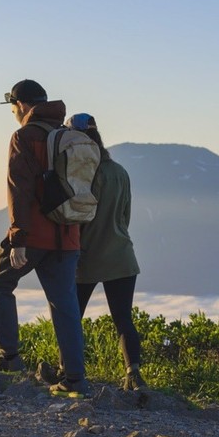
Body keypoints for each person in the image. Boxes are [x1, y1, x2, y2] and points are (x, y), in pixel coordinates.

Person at [0, 79, 91, 397]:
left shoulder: (24, 137)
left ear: (22, 105)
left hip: (34, 235)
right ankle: (75, 379)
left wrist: (18, 239)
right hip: (69, 234)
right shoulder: (71, 136)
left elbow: (20, 190)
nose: (14, 114)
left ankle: (9, 358)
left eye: (13, 108)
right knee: (65, 304)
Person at [66, 113, 147, 391]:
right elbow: (125, 216)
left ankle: (67, 371)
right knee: (123, 319)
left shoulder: (83, 173)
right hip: (121, 255)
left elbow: (76, 217)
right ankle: (133, 373)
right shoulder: (120, 171)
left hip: (86, 257)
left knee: (71, 318)